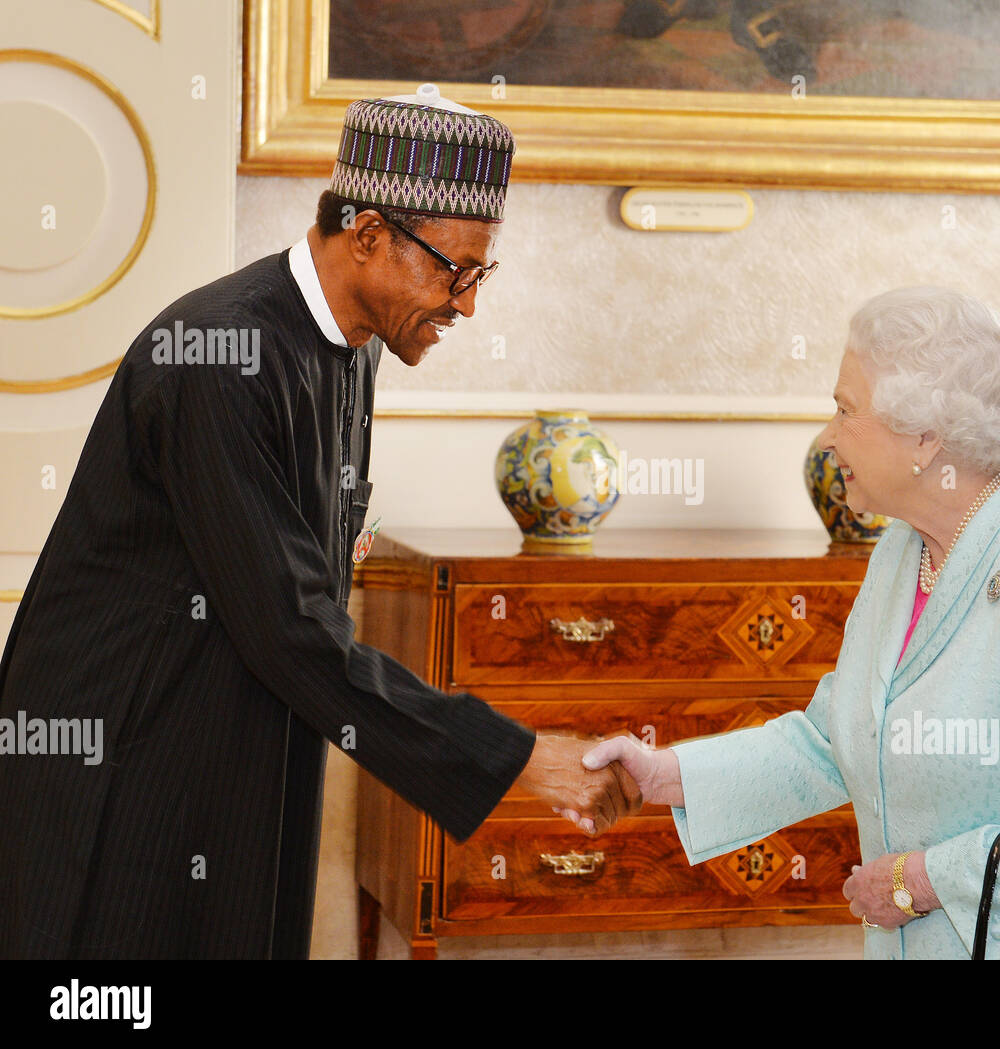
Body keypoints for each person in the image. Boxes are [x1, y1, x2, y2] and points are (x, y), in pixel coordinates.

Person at [0, 86, 638, 960]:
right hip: (128, 752)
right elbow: (292, 625)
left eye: (481, 273)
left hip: (241, 728)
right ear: (369, 234)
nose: (467, 303)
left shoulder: (353, 341)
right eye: (454, 270)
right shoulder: (218, 355)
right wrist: (516, 757)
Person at [584, 286, 1000, 959]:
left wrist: (923, 881)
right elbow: (834, 738)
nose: (828, 435)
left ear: (924, 436)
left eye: (844, 409)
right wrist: (663, 774)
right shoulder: (903, 551)